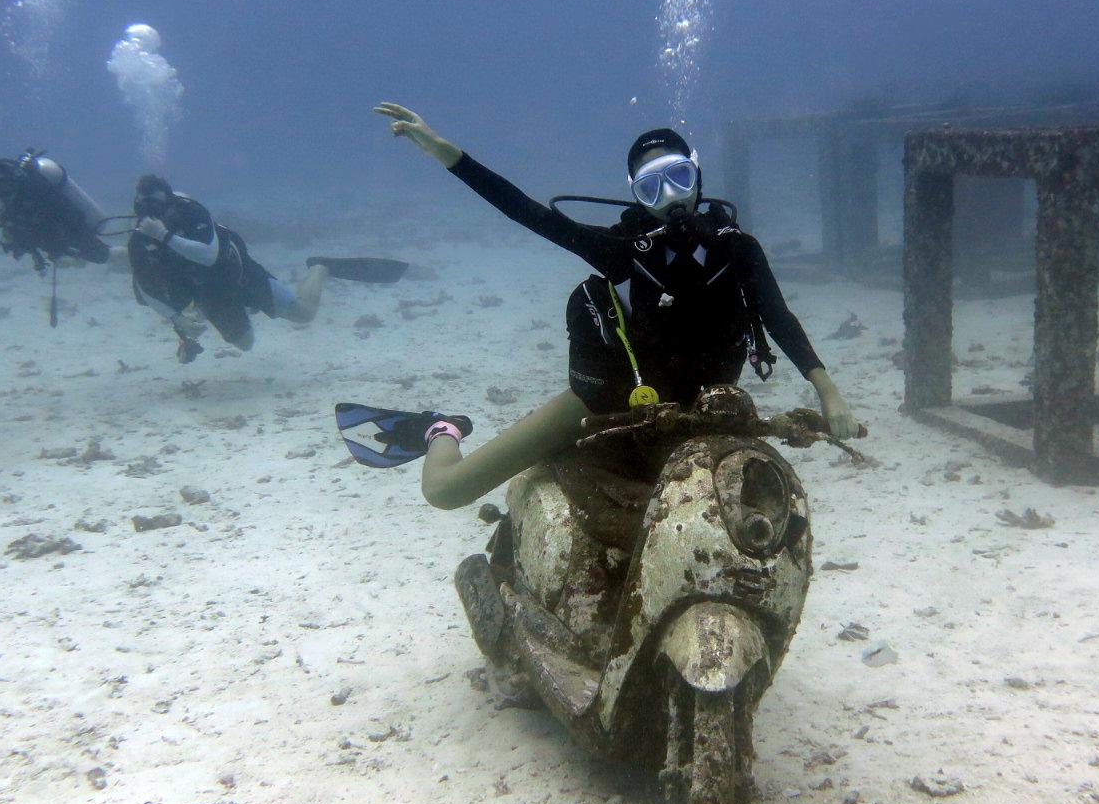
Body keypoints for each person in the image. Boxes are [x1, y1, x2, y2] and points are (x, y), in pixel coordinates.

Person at [359, 103, 859, 510]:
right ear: (637, 198)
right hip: (612, 398)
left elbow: (778, 317)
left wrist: (829, 393)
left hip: (706, 407)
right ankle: (439, 428)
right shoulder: (623, 252)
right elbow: (529, 213)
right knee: (446, 492)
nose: (670, 198)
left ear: (698, 178)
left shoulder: (738, 249)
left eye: (678, 178)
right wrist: (450, 155)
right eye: (651, 188)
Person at [127, 174, 329, 363]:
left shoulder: (192, 212)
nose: (150, 212)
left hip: (238, 274)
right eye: (143, 206)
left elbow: (208, 256)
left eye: (154, 204)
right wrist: (178, 319)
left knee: (304, 314)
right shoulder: (139, 239)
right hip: (209, 294)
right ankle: (239, 309)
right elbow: (145, 289)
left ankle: (319, 266)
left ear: (169, 201)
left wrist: (164, 236)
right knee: (245, 344)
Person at [0, 150, 111, 269]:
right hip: (44, 235)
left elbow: (69, 215)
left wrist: (56, 243)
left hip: (64, 228)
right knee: (98, 256)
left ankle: (121, 256)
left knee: (102, 256)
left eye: (1, 185)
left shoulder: (34, 187)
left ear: (11, 180)